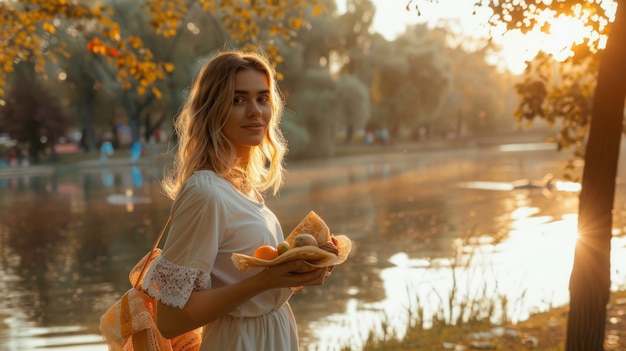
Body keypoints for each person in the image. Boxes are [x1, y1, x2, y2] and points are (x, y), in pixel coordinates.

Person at [141, 49, 330, 350]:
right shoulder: (205, 191)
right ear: (213, 109)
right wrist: (265, 281)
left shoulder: (243, 187)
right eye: (238, 100)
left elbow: (245, 288)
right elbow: (170, 319)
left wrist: (298, 270)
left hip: (273, 337)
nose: (255, 111)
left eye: (262, 98)